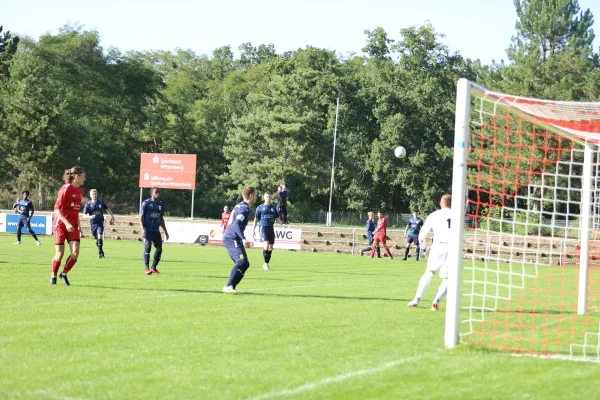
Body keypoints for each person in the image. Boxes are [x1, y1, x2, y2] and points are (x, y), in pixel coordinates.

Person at [408, 194, 453, 311]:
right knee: (448, 278)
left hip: (438, 246)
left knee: (429, 272)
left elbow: (422, 235)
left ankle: (417, 299)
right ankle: (436, 300)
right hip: (453, 248)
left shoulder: (435, 215)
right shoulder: (457, 215)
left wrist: (423, 248)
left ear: (441, 203)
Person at [50, 166, 86, 286]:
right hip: (60, 224)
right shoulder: (65, 189)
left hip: (73, 225)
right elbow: (57, 209)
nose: (84, 178)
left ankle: (64, 273)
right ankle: (53, 275)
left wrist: (78, 225)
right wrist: (66, 223)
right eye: (83, 176)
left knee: (75, 252)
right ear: (76, 177)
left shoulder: (80, 190)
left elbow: (75, 211)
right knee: (59, 254)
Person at [222, 186, 258, 293]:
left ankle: (231, 287)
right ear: (250, 196)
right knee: (242, 262)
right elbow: (236, 224)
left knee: (245, 263)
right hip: (232, 238)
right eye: (255, 195)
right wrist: (244, 238)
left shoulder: (240, 205)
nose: (256, 197)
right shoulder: (244, 208)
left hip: (233, 238)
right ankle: (228, 286)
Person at [139, 188, 169, 275]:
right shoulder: (146, 203)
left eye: (159, 192)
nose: (158, 193)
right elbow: (140, 217)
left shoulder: (161, 204)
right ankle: (147, 268)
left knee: (159, 249)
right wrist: (142, 229)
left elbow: (161, 219)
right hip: (147, 230)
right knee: (148, 245)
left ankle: (153, 268)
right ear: (151, 193)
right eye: (156, 192)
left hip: (156, 231)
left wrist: (166, 232)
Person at [83, 189, 115, 258]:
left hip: (100, 222)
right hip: (93, 224)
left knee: (100, 236)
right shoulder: (88, 204)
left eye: (95, 194)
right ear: (90, 195)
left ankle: (99, 253)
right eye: (93, 194)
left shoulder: (100, 202)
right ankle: (101, 251)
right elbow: (83, 215)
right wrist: (90, 216)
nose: (94, 195)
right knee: (96, 239)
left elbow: (107, 208)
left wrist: (112, 216)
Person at [252, 191, 279, 270]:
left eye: (269, 197)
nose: (268, 198)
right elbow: (256, 219)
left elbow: (277, 219)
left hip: (271, 228)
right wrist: (253, 229)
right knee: (266, 244)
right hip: (263, 228)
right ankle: (265, 264)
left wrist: (283, 223)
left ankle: (266, 263)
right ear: (264, 198)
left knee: (271, 247)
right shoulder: (260, 207)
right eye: (267, 197)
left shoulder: (273, 208)